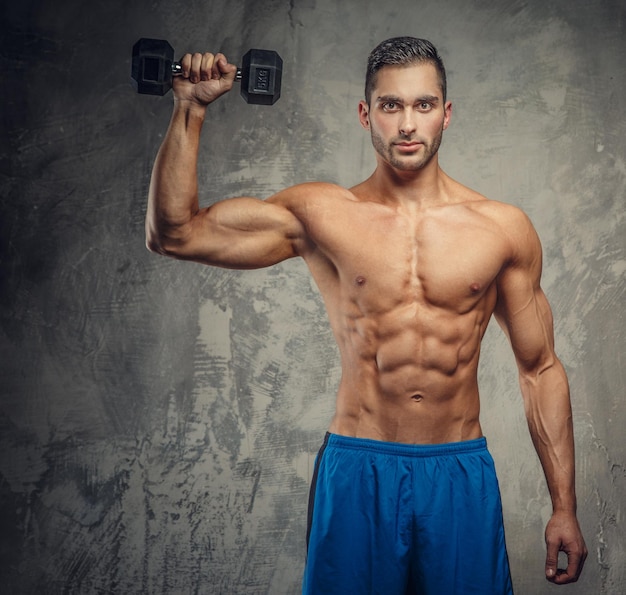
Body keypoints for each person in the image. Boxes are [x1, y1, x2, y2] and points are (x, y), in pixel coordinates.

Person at [145, 36, 587, 593]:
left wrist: (564, 507)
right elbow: (174, 234)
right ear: (366, 114)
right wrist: (189, 107)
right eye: (391, 105)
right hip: (358, 467)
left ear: (445, 114)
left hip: (458, 472)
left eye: (423, 105)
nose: (407, 124)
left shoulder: (501, 228)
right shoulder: (321, 214)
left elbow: (540, 368)